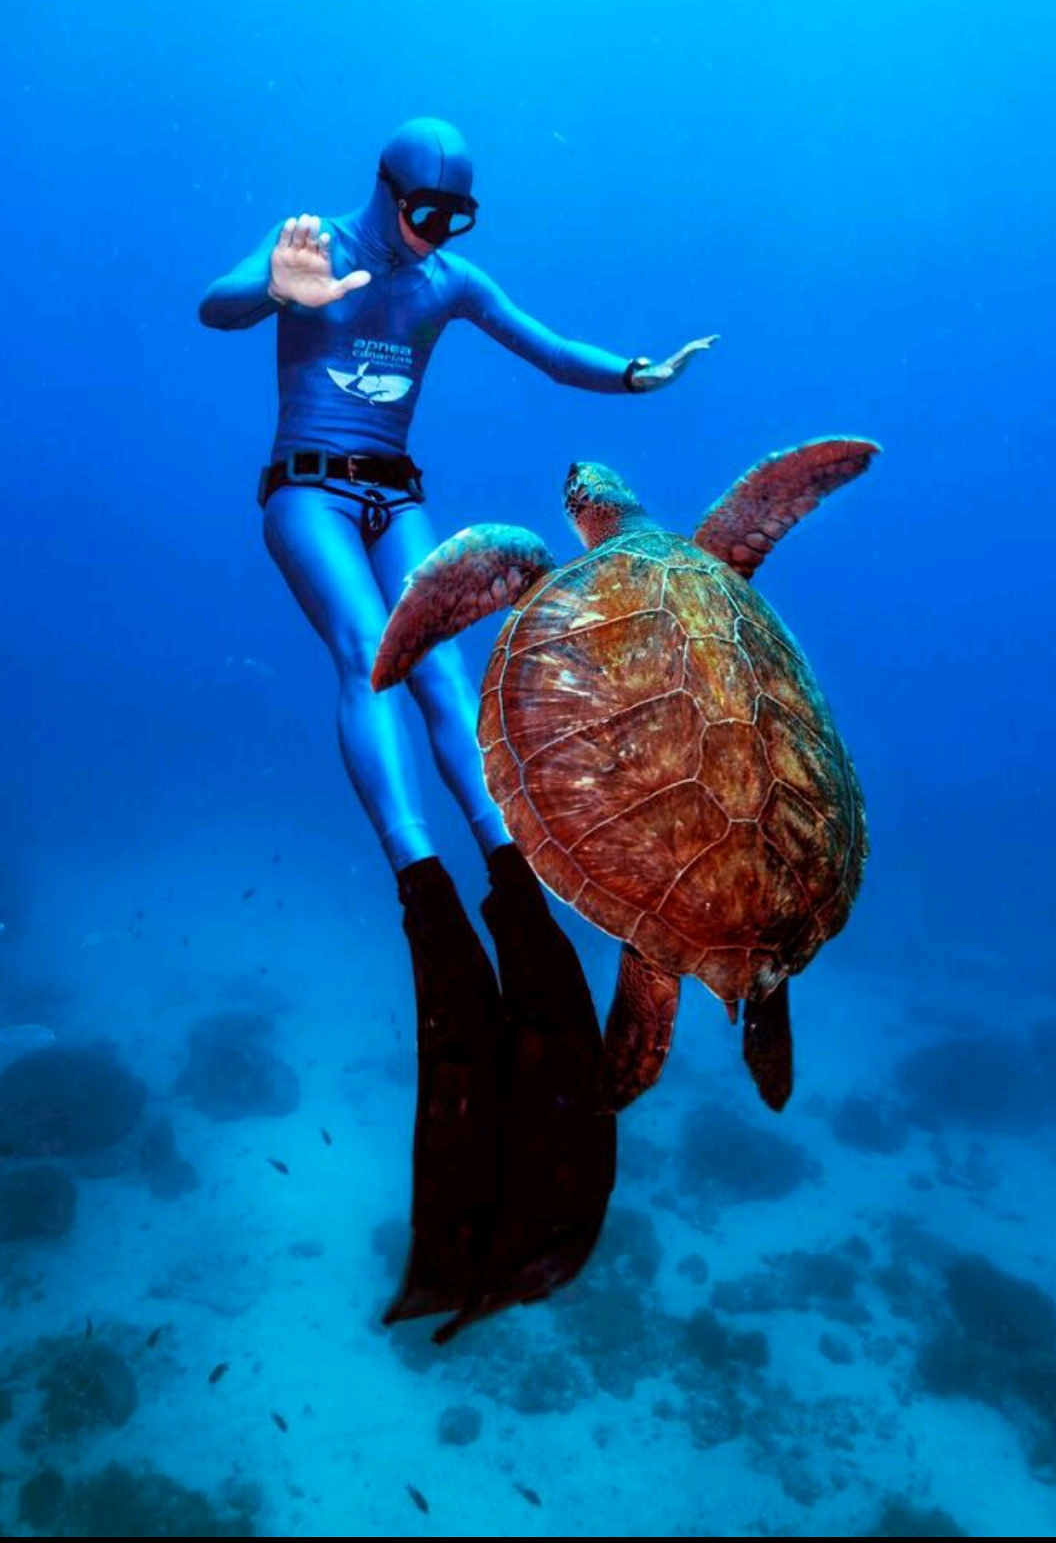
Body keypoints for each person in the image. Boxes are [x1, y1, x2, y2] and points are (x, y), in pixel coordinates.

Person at [200, 116, 716, 1333]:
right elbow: (219, 304)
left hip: (396, 496)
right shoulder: (318, 244)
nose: (434, 234)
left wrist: (636, 374)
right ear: (383, 192)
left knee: (445, 673)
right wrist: (264, 289)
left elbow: (546, 349)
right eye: (423, 212)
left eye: (455, 219)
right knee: (365, 652)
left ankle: (498, 851)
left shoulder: (450, 281)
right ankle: (419, 872)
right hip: (305, 495)